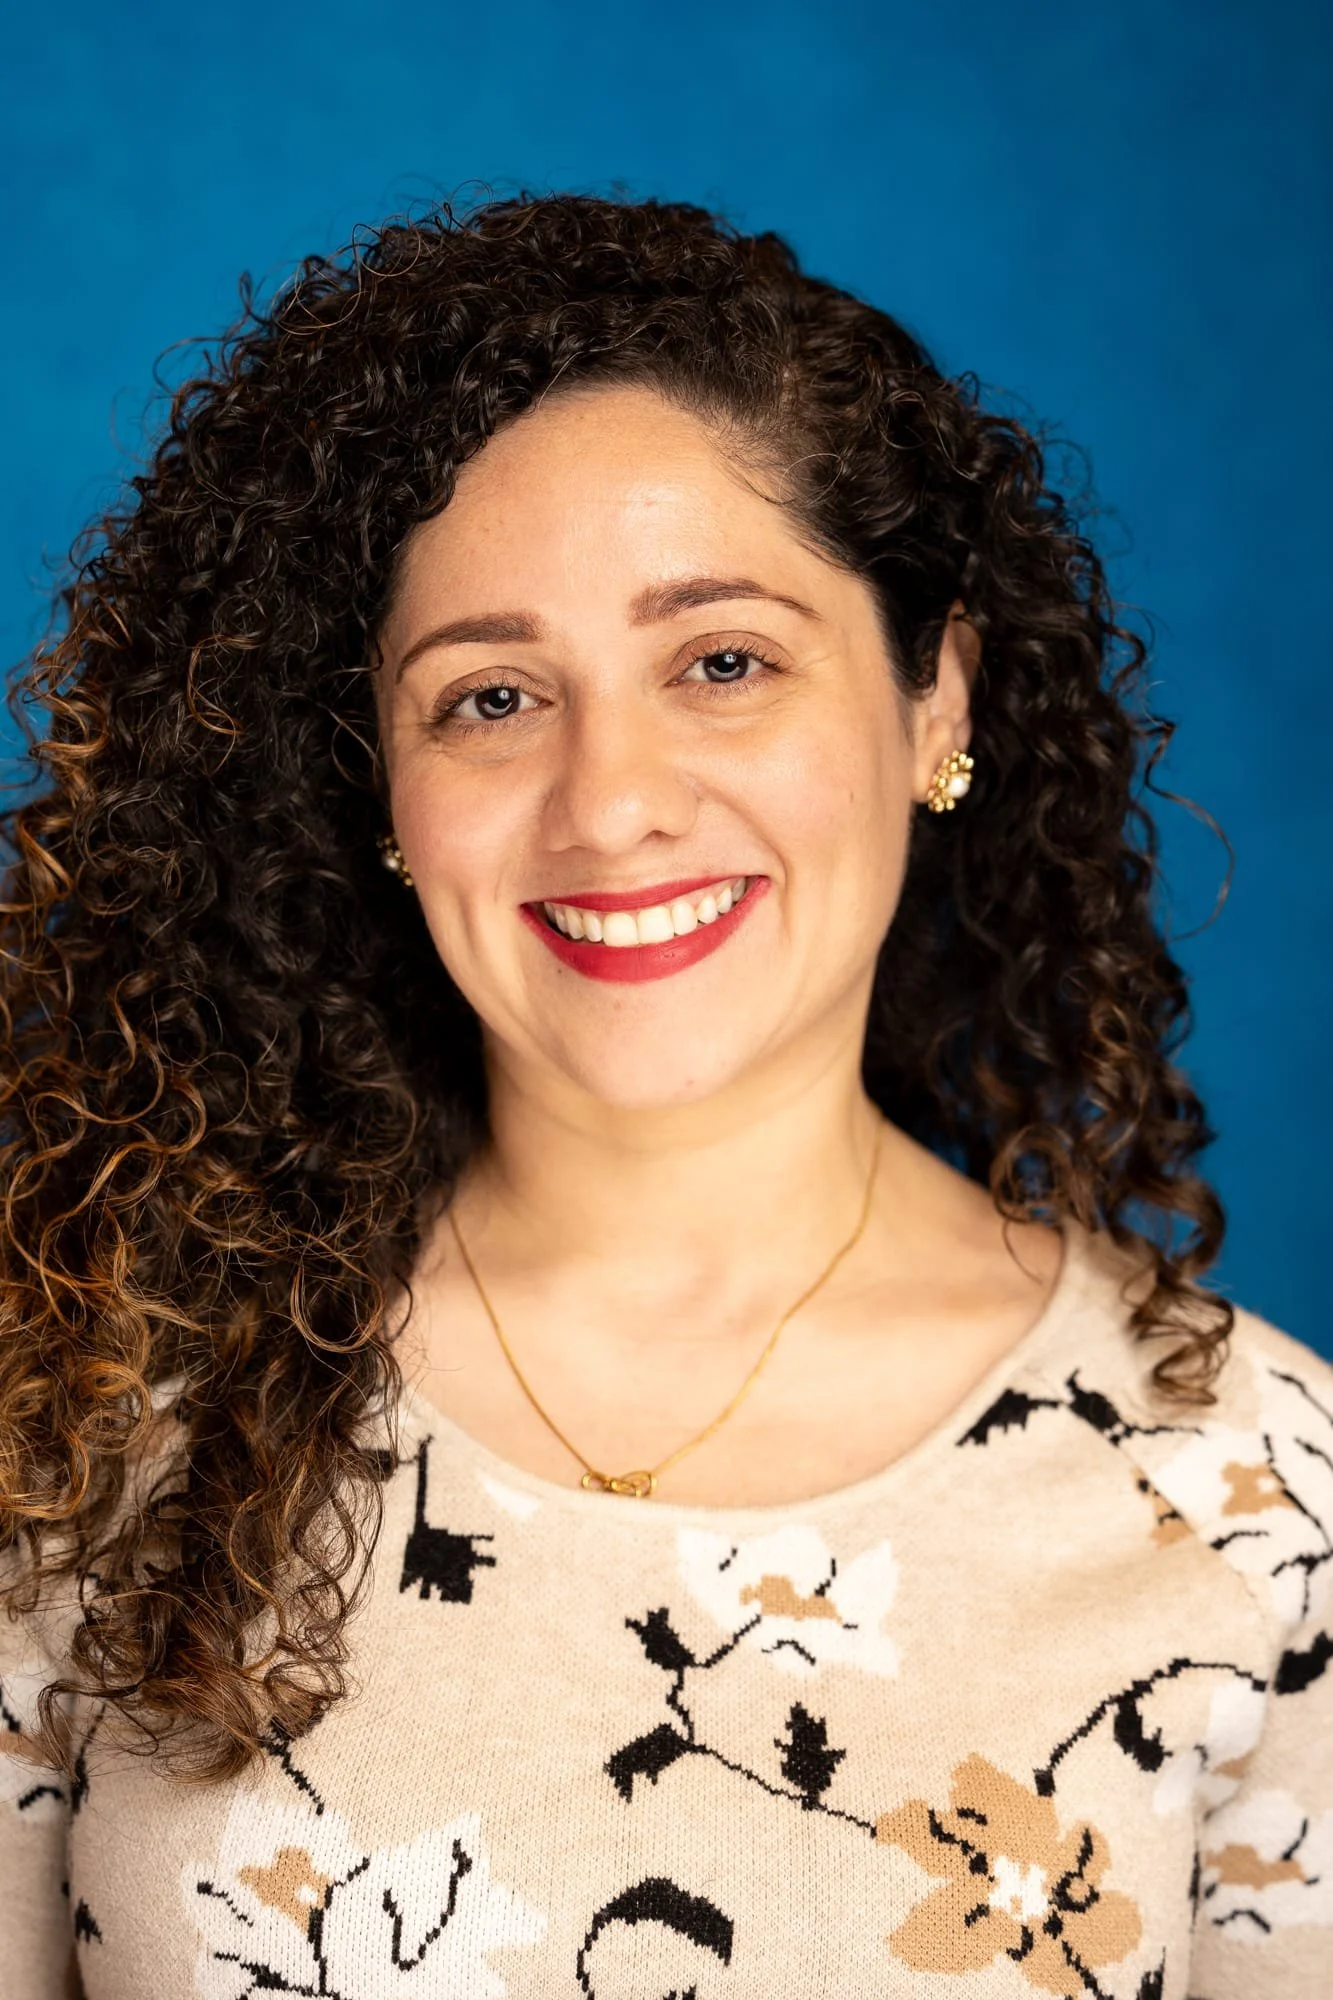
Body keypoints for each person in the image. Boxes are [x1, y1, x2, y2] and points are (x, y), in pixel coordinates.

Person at [1, 190, 1329, 2000]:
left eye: (722, 662)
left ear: (934, 695)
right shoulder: (80, 1425)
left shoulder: (1262, 1502)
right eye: (488, 697)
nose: (609, 798)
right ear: (379, 791)